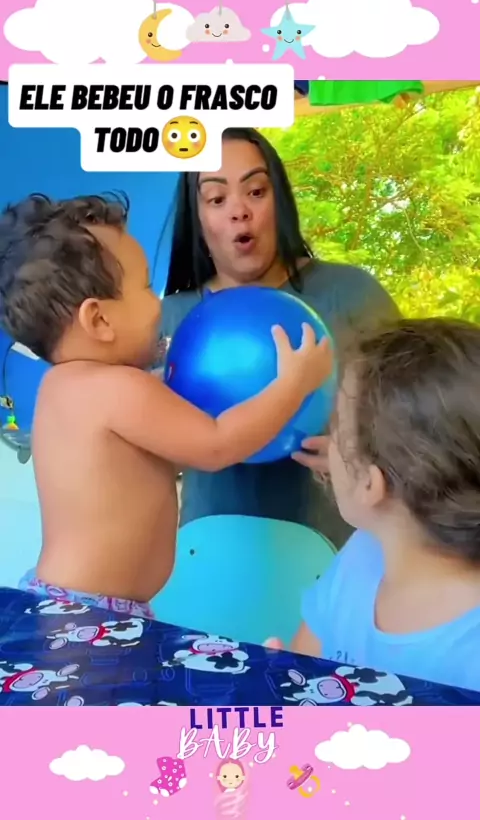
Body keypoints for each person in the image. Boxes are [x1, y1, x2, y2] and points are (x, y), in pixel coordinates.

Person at [0, 193, 332, 617]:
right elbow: (217, 444)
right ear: (99, 320)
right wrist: (293, 385)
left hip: (63, 599)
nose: (158, 302)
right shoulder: (119, 388)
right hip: (93, 613)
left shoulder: (61, 388)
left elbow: (150, 428)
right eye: (144, 286)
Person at [161, 127, 400, 547]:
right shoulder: (170, 318)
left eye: (255, 191)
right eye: (216, 199)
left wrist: (362, 454)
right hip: (211, 553)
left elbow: (417, 418)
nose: (239, 211)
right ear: (197, 219)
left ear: (280, 203)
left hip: (338, 549)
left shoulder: (352, 293)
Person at [266, 318, 480, 692]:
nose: (328, 444)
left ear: (370, 483)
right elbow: (304, 670)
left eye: (336, 428)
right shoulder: (361, 555)